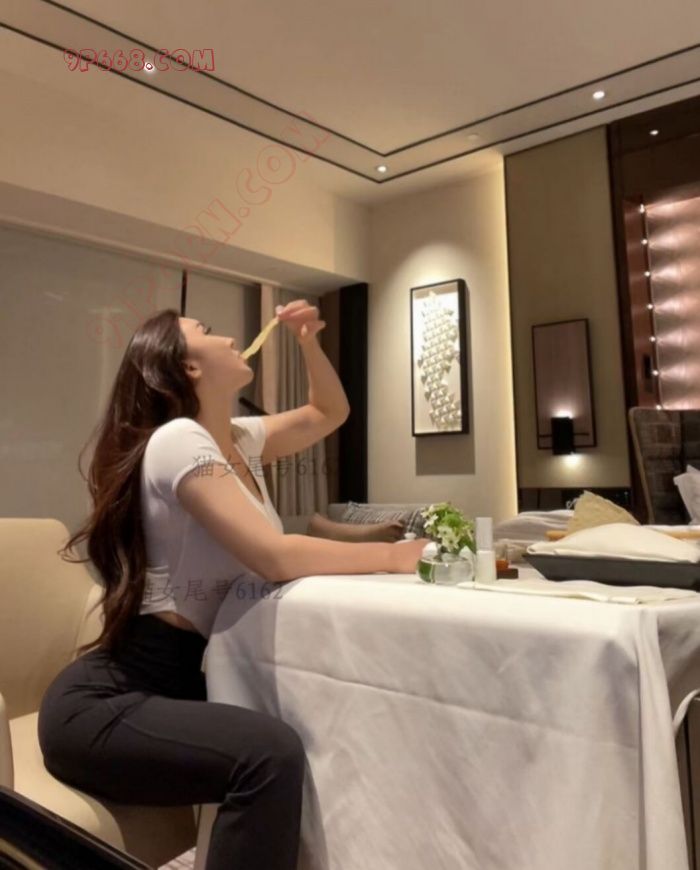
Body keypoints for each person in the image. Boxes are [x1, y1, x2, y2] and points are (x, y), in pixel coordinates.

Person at [37, 300, 429, 870]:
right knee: (268, 754)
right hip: (108, 703)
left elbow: (329, 412)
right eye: (207, 331)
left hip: (180, 683)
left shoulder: (239, 440)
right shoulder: (178, 440)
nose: (228, 338)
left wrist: (308, 342)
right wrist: (393, 556)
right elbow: (272, 555)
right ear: (189, 367)